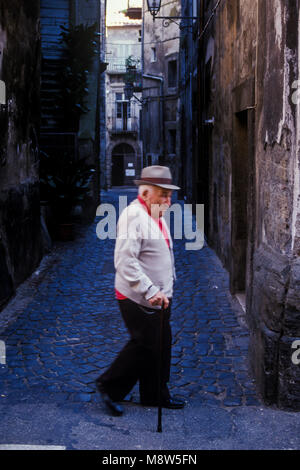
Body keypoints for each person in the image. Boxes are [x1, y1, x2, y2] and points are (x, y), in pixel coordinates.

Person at [95, 165, 185, 416]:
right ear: (145, 193)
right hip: (138, 297)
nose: (168, 201)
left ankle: (154, 394)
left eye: (169, 195)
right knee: (144, 344)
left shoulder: (155, 213)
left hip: (159, 297)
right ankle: (108, 386)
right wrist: (148, 290)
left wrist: (166, 287)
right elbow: (125, 261)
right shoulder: (133, 215)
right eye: (163, 195)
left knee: (161, 344)